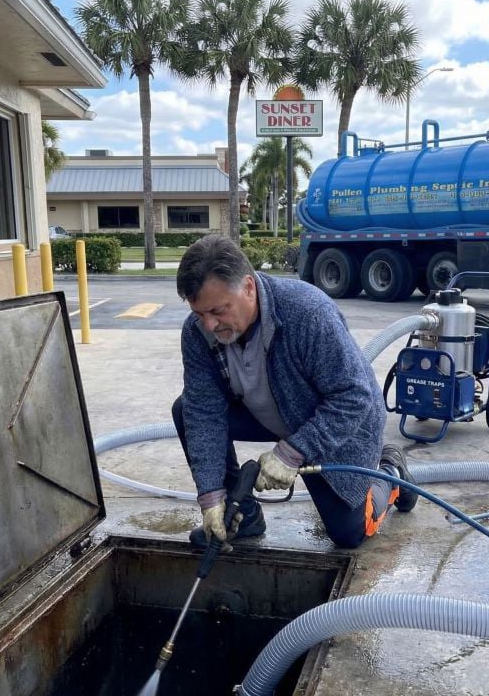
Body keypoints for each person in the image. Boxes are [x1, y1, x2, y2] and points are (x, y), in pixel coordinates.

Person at [172, 234, 417, 551]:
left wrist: (294, 451)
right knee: (186, 409)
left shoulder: (307, 312)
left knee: (349, 533)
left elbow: (354, 396)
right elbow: (203, 412)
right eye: (199, 313)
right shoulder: (197, 331)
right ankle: (241, 518)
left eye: (218, 311)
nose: (208, 325)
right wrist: (211, 496)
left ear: (248, 287)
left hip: (332, 420)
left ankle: (390, 470)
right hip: (268, 412)